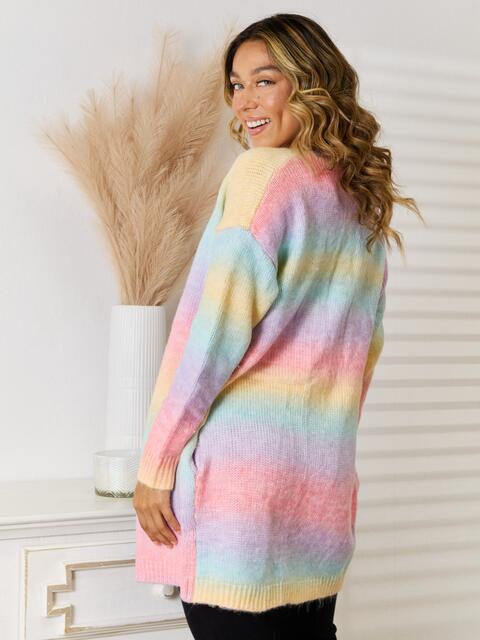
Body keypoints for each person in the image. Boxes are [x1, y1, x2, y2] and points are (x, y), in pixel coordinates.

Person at [133, 13, 423, 640]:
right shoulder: (360, 200)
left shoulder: (262, 176)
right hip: (319, 498)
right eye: (236, 85)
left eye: (264, 81)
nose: (245, 102)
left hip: (238, 500)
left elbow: (212, 337)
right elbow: (362, 356)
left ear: (309, 81)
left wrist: (156, 464)